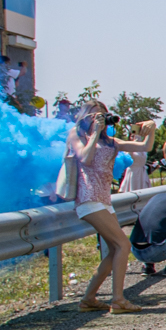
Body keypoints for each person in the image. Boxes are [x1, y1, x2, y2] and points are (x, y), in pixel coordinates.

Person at [63, 102, 151, 313]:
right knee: (123, 245)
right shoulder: (77, 134)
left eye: (103, 116)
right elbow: (85, 158)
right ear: (86, 117)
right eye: (95, 116)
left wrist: (151, 129)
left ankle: (88, 298)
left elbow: (145, 147)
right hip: (88, 198)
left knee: (114, 250)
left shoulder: (110, 141)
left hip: (103, 199)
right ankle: (118, 300)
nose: (100, 120)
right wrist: (94, 133)